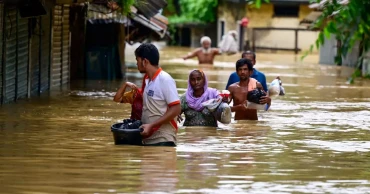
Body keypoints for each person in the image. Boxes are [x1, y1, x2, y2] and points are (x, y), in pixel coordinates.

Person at [134, 43, 181, 147]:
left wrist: (152, 125)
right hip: (148, 138)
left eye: (137, 60)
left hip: (163, 139)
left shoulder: (165, 79)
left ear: (145, 61)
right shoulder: (147, 80)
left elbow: (176, 109)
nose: (136, 64)